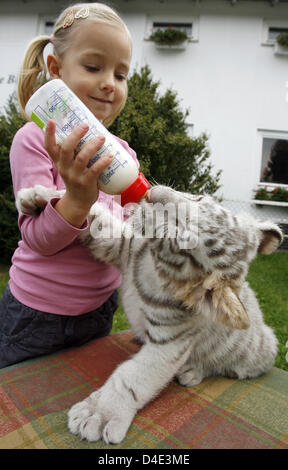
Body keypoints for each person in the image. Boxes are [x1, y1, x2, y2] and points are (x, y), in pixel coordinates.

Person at [0, 3, 138, 368]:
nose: (110, 82)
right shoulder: (33, 140)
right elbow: (40, 240)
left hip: (100, 308)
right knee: (20, 412)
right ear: (56, 69)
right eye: (94, 67)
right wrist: (77, 199)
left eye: (121, 75)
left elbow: (132, 233)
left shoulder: (122, 155)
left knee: (76, 398)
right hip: (36, 314)